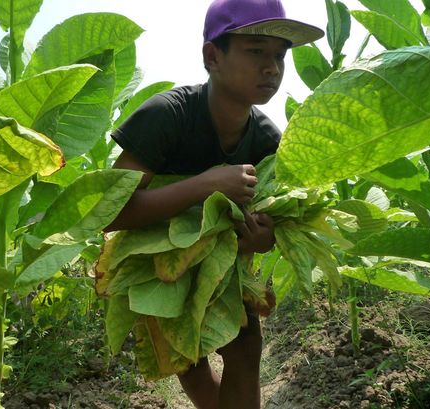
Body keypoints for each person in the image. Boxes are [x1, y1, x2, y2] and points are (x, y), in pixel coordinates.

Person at [105, 0, 323, 407]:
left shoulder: (267, 142)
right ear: (212, 56)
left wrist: (263, 238)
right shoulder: (167, 116)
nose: (271, 67)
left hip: (227, 272)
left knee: (245, 348)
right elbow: (110, 213)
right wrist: (202, 185)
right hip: (156, 269)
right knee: (187, 360)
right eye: (255, 51)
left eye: (279, 55)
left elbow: (268, 224)